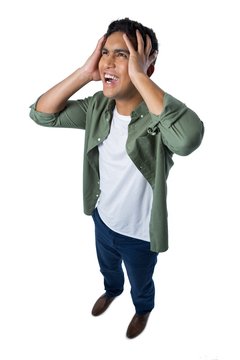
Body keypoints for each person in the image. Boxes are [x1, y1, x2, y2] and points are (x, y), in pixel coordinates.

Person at [29, 17, 204, 339]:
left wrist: (139, 76)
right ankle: (111, 290)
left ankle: (143, 307)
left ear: (147, 66)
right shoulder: (98, 107)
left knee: (141, 279)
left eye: (123, 54)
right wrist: (84, 73)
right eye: (106, 52)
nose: (108, 60)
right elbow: (42, 114)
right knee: (108, 268)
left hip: (139, 233)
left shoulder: (158, 118)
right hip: (102, 218)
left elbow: (187, 140)